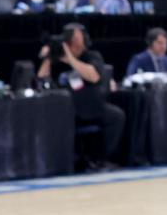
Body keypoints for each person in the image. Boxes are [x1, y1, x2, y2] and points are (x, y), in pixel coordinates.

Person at [38, 23, 123, 169]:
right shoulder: (57, 59)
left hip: (90, 104)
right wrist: (49, 57)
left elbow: (93, 76)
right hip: (63, 107)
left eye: (79, 36)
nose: (77, 41)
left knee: (117, 116)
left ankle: (100, 158)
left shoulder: (92, 56)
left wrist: (70, 58)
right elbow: (40, 79)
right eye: (73, 37)